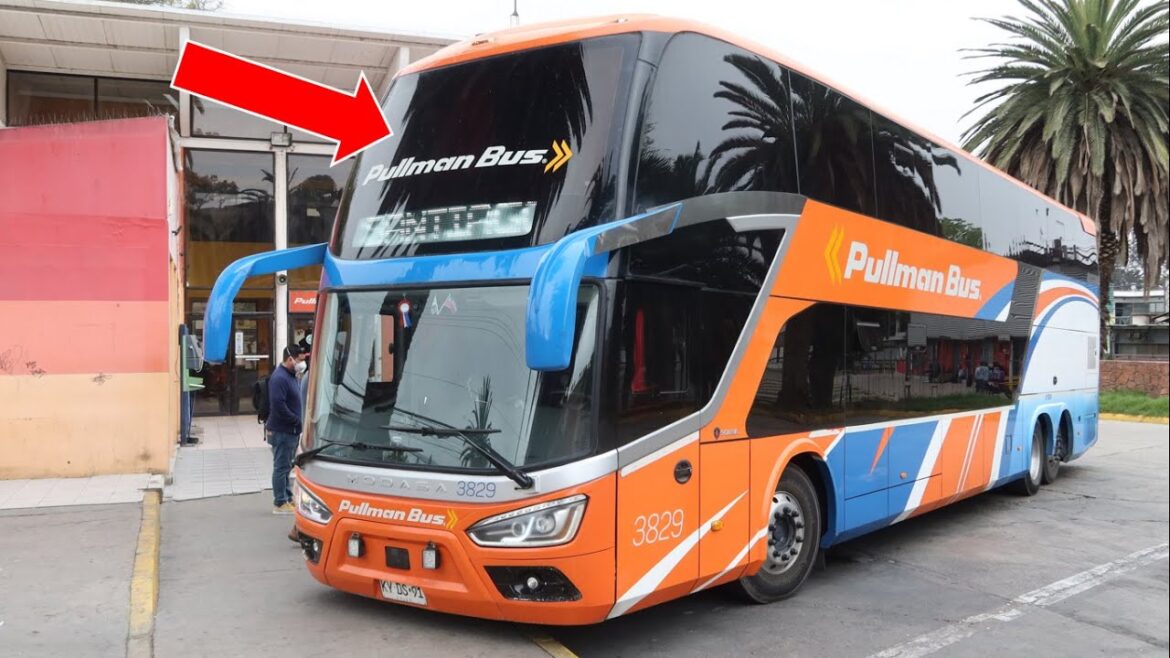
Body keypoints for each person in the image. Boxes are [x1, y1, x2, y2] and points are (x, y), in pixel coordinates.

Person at [267, 345, 305, 515]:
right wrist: (297, 420)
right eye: (300, 360)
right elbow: (279, 406)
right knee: (281, 467)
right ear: (290, 359)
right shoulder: (279, 378)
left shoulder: (292, 376)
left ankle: (287, 497)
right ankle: (280, 502)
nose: (302, 363)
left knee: (286, 467)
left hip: (291, 430)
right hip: (282, 431)